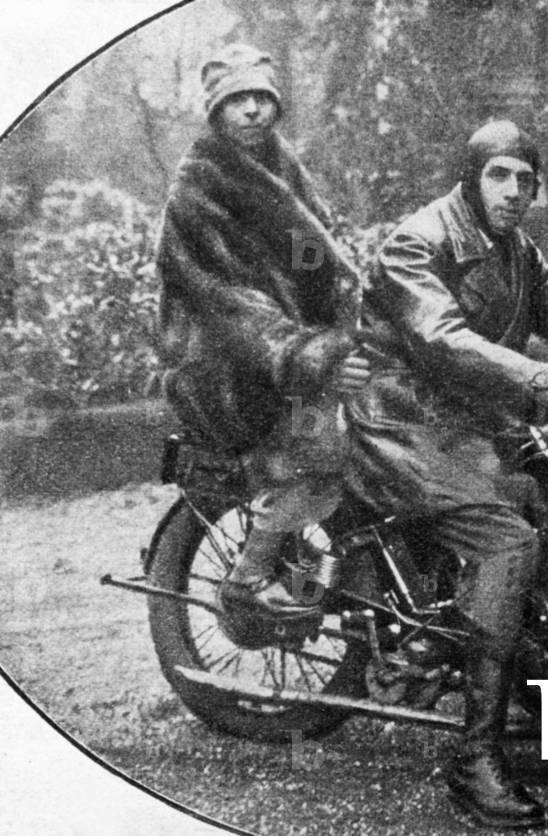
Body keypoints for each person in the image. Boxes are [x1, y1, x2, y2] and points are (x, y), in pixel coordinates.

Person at [345, 120, 548, 829]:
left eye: (526, 179)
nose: (515, 191)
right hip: (403, 425)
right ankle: (472, 762)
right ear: (471, 177)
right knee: (507, 544)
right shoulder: (417, 241)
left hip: (468, 425)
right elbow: (442, 338)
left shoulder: (516, 250)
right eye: (499, 175)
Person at [155, 44, 369, 619]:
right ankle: (247, 580)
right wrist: (314, 352)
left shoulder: (282, 170)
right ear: (215, 111)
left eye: (261, 98)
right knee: (322, 454)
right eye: (236, 100)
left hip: (283, 355)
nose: (251, 110)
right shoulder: (197, 191)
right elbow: (225, 304)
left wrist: (354, 309)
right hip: (223, 366)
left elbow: (312, 260)